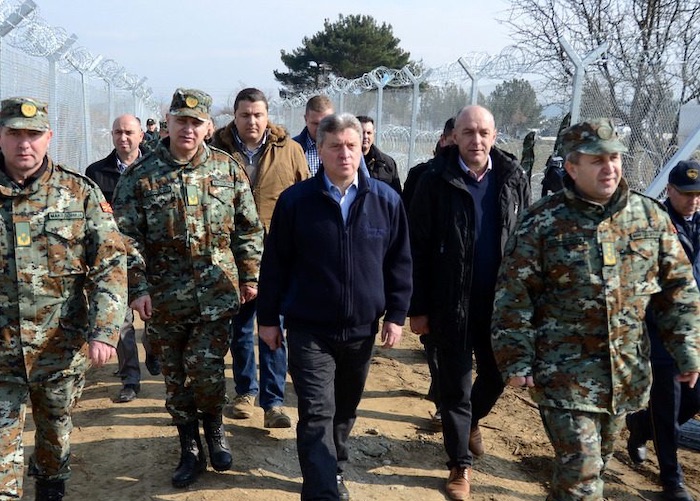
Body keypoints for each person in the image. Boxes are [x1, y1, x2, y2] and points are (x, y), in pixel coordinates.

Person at [491, 119, 700, 501]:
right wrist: (516, 357)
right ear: (572, 167)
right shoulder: (543, 221)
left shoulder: (648, 217)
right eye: (597, 160)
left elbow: (678, 288)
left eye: (614, 158)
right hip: (563, 373)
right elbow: (514, 294)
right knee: (582, 475)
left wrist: (686, 348)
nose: (609, 168)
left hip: (624, 374)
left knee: (595, 465)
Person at [112, 88, 264, 488]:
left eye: (196, 122)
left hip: (215, 296)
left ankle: (214, 431)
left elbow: (248, 228)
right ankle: (189, 447)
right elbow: (126, 239)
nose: (188, 129)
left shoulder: (227, 169)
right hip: (164, 300)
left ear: (208, 126)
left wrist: (250, 276)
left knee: (208, 371)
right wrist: (137, 288)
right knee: (176, 378)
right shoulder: (140, 176)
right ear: (168, 123)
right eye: (181, 121)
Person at [256, 112, 412, 500]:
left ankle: (334, 468)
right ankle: (322, 490)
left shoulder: (386, 200)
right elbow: (275, 264)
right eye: (335, 146)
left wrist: (396, 314)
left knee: (344, 410)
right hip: (309, 328)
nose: (345, 153)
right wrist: (268, 318)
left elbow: (400, 261)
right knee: (316, 412)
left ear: (362, 148)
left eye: (351, 145)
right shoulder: (296, 202)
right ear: (320, 150)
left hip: (361, 329)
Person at [0, 96, 127, 500]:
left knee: (54, 441)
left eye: (33, 134)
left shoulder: (78, 193)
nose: (24, 143)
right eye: (14, 133)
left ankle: (50, 489)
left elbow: (110, 263)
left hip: (58, 349)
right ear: (0, 137)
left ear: (49, 137)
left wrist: (105, 330)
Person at [408, 105, 531, 500]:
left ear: (494, 136)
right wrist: (417, 308)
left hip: (501, 306)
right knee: (455, 388)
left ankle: (470, 421)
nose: (476, 140)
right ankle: (459, 465)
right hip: (450, 303)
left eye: (483, 133)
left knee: (497, 374)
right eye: (468, 132)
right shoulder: (433, 179)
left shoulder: (514, 178)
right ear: (454, 136)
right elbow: (417, 247)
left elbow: (526, 241)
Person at [210, 87, 308, 429]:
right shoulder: (217, 151)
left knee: (274, 326)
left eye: (258, 115)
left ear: (267, 116)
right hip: (232, 255)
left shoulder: (290, 151)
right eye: (245, 115)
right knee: (239, 327)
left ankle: (274, 401)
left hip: (277, 254)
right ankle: (244, 392)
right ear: (234, 117)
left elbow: (305, 196)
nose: (251, 121)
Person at [625, 159, 700, 501]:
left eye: (698, 194)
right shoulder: (654, 224)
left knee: (693, 399)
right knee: (668, 402)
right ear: (669, 190)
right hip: (661, 327)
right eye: (686, 194)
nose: (693, 200)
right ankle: (672, 480)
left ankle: (641, 424)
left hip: (694, 328)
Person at [85, 114, 160, 404]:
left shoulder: (156, 168)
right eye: (118, 132)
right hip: (113, 258)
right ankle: (130, 378)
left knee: (155, 316)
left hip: (151, 256)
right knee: (121, 320)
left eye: (129, 132)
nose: (123, 137)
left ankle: (153, 348)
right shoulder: (97, 173)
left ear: (142, 135)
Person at [402, 116, 455, 428]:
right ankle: (443, 401)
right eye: (457, 136)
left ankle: (454, 404)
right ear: (444, 138)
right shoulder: (423, 176)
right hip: (434, 278)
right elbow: (411, 229)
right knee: (434, 344)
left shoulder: (494, 179)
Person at [357, 115, 402, 194]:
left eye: (369, 133)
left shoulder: (386, 164)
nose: (365, 136)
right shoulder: (345, 162)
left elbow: (396, 195)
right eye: (362, 133)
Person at [293, 95, 335, 175]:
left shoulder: (345, 148)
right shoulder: (292, 148)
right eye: (315, 123)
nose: (321, 128)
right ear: (306, 119)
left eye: (326, 123)